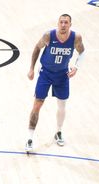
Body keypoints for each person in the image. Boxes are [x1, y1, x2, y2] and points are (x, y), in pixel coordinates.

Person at [25, 14, 85, 152]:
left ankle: (58, 131)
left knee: (62, 105)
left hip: (62, 75)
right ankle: (29, 138)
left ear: (70, 24)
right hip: (45, 74)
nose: (63, 24)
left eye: (66, 22)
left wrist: (76, 67)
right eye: (61, 22)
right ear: (58, 23)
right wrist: (31, 69)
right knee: (37, 104)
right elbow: (36, 48)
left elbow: (82, 52)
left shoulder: (76, 38)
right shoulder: (48, 36)